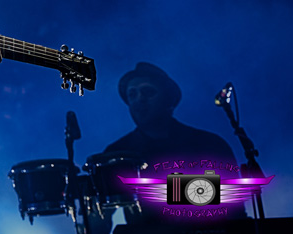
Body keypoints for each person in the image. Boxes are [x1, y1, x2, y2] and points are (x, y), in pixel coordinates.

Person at [87, 62, 243, 233]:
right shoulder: (116, 154)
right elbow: (100, 222)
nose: (139, 99)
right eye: (132, 94)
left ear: (169, 100)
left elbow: (234, 211)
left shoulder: (209, 145)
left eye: (148, 92)